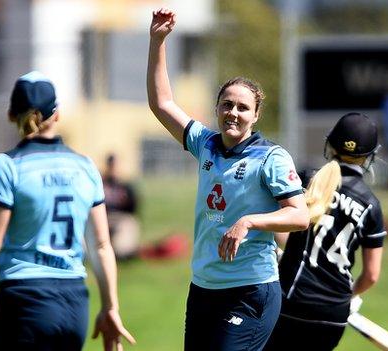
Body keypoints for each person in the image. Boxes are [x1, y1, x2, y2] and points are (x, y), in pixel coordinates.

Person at [0, 71, 135, 351]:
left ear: (11, 115)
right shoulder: (86, 167)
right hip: (74, 306)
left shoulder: (8, 165)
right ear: (57, 115)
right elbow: (102, 245)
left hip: (25, 304)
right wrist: (110, 307)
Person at [147, 8, 310, 351]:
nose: (233, 113)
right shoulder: (204, 143)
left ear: (256, 114)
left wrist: (249, 221)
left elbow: (300, 215)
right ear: (217, 107)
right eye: (226, 104)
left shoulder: (271, 157)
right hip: (204, 287)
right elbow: (162, 103)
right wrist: (158, 40)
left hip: (249, 290)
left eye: (242, 107)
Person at [264, 112, 386, 351]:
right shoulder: (372, 205)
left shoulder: (307, 179)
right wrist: (348, 297)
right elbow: (371, 275)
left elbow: (281, 226)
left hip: (290, 300)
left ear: (330, 144)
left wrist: (282, 254)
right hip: (333, 314)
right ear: (369, 156)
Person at [102, 153, 141, 261]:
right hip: (104, 218)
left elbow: (133, 210)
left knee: (121, 250)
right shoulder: (100, 184)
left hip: (122, 218)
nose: (113, 168)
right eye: (111, 165)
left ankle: (123, 251)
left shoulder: (126, 186)